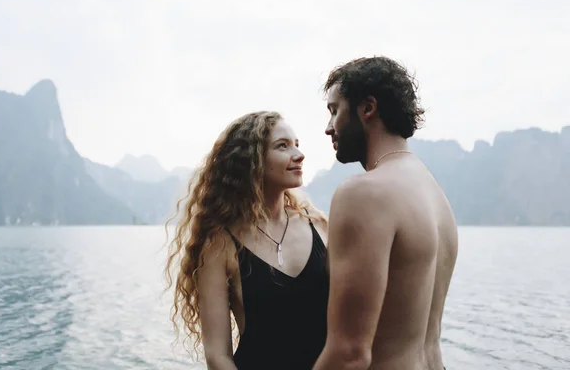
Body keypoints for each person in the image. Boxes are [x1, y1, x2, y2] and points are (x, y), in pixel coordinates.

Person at [312, 56, 458, 370]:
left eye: (335, 110)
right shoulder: (434, 195)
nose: (328, 128)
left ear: (367, 108)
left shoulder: (364, 194)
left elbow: (350, 353)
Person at [165, 111, 330, 370]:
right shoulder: (219, 245)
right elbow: (218, 357)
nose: (299, 155)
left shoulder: (320, 227)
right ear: (252, 160)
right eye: (282, 146)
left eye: (297, 145)